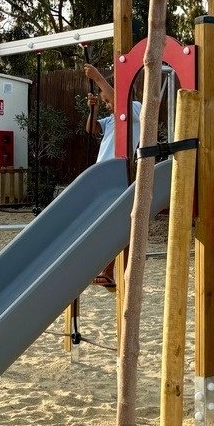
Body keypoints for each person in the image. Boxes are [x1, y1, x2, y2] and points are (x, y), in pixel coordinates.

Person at [83, 61, 141, 289]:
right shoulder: (111, 120)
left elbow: (120, 103)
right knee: (108, 222)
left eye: (108, 100)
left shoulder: (135, 108)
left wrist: (98, 77)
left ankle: (107, 270)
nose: (108, 104)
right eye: (105, 101)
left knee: (115, 223)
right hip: (103, 175)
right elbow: (91, 129)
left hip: (120, 174)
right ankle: (107, 271)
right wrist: (94, 110)